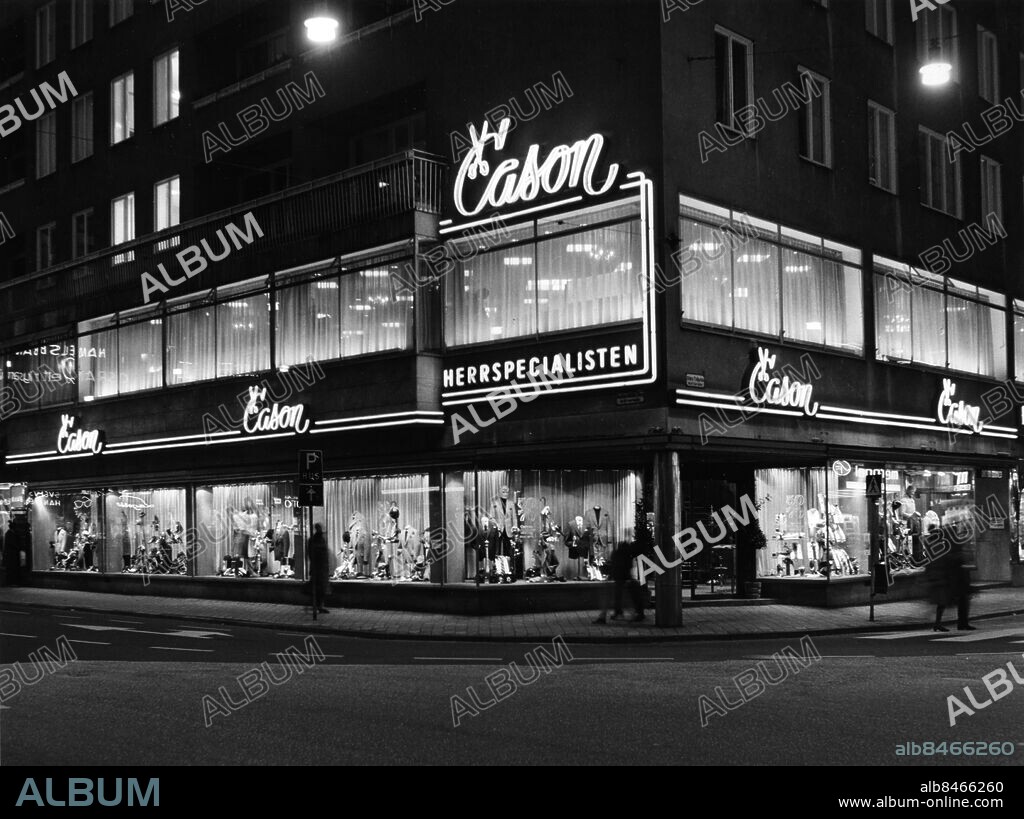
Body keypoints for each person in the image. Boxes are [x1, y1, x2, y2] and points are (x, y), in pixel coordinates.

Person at [925, 522, 974, 632]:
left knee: (944, 602)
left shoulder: (941, 546)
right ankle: (940, 623)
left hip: (944, 576)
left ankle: (940, 623)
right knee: (945, 601)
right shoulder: (946, 546)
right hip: (946, 577)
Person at [594, 540, 644, 623]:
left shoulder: (618, 554)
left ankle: (611, 614)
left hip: (619, 577)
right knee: (623, 595)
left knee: (615, 596)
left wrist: (611, 575)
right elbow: (627, 566)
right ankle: (630, 612)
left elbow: (616, 566)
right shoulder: (627, 554)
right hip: (622, 577)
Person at [307, 523, 330, 615]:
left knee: (321, 587)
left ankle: (319, 605)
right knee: (317, 587)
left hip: (321, 567)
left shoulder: (321, 539)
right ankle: (317, 605)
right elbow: (311, 554)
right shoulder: (314, 540)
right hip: (318, 567)